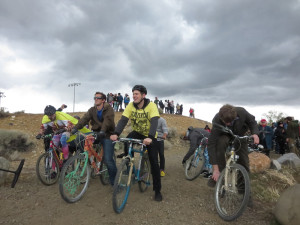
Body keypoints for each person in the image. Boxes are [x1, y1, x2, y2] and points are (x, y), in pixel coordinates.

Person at [110, 85, 163, 201]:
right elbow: (123, 120)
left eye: (137, 94)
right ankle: (129, 163)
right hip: (137, 132)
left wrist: (149, 137)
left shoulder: (151, 106)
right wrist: (116, 133)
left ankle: (157, 190)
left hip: (149, 134)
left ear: (143, 95)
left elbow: (154, 122)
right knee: (127, 141)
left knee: (154, 161)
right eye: (133, 93)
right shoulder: (130, 106)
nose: (134, 96)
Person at [207, 104, 259, 188]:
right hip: (225, 135)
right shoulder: (216, 120)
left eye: (231, 121)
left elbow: (252, 121)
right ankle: (220, 176)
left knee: (244, 161)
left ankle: (243, 190)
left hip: (240, 135)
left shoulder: (242, 112)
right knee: (220, 143)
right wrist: (215, 169)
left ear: (235, 116)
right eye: (226, 122)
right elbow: (211, 144)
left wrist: (255, 134)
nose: (228, 124)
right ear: (221, 118)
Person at [72, 92, 117, 186]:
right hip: (96, 132)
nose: (95, 99)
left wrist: (103, 131)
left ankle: (115, 183)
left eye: (98, 98)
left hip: (108, 134)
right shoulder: (92, 110)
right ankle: (88, 160)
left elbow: (107, 121)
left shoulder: (109, 109)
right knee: (80, 138)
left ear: (103, 100)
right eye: (95, 97)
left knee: (108, 160)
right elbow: (84, 119)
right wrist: (76, 127)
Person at [156, 109, 168, 177]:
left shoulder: (162, 120)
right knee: (152, 154)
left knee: (161, 154)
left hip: (160, 139)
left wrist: (164, 135)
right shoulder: (151, 119)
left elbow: (165, 129)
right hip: (152, 139)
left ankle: (162, 170)